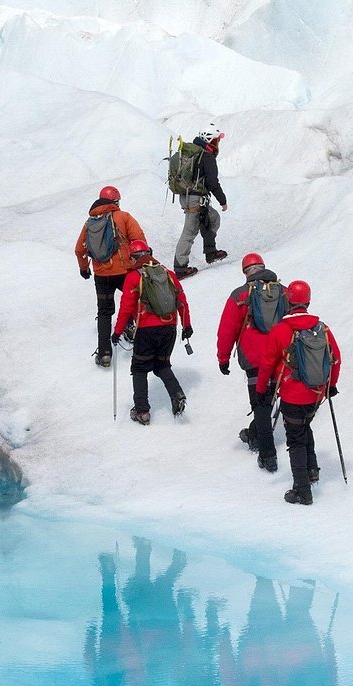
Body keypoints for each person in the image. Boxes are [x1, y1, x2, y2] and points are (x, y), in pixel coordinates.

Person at [254, 280, 341, 505]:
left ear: (288, 301)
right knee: (304, 427)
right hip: (316, 393)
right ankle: (312, 470)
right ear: (308, 301)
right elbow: (336, 358)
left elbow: (267, 363)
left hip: (292, 394)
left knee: (295, 440)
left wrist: (261, 389)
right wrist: (331, 386)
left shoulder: (281, 330)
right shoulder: (322, 329)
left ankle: (302, 491)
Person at [112, 239, 192, 425]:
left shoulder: (133, 277)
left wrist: (117, 332)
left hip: (146, 330)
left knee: (139, 368)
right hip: (169, 328)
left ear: (133, 257)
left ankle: (142, 411)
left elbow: (126, 308)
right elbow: (182, 301)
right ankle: (177, 394)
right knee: (162, 365)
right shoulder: (168, 273)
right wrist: (186, 325)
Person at [216, 252, 283, 472]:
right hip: (281, 356)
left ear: (245, 272)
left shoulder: (240, 295)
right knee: (269, 398)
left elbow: (227, 329)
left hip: (254, 358)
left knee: (260, 405)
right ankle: (254, 434)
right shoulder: (282, 291)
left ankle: (267, 455)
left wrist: (223, 358)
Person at [74, 185, 146, 368]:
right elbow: (139, 239)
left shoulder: (89, 222)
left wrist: (84, 268)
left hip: (101, 275)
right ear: (115, 201)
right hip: (125, 271)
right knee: (133, 301)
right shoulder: (123, 217)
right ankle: (135, 334)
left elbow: (79, 249)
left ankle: (105, 353)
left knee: (104, 313)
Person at [172, 123, 228, 278]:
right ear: (209, 140)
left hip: (188, 196)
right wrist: (222, 200)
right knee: (189, 231)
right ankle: (180, 267)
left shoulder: (193, 152)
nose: (217, 143)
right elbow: (212, 182)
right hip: (196, 199)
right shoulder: (206, 156)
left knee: (212, 219)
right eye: (216, 140)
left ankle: (211, 252)